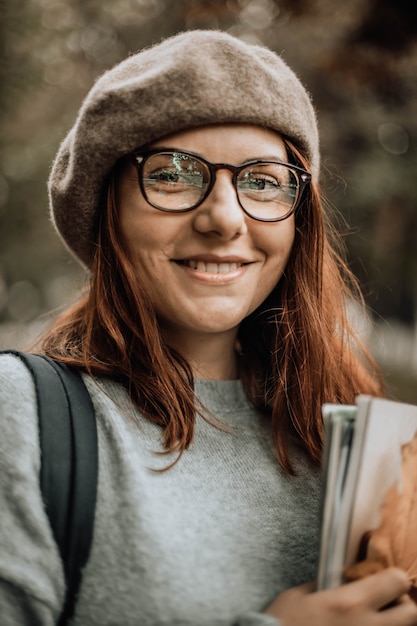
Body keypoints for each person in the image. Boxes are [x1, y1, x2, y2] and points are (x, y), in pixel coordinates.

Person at [0, 29, 416, 626]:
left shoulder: (349, 434)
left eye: (263, 181)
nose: (224, 217)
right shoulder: (24, 417)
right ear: (105, 209)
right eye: (172, 174)